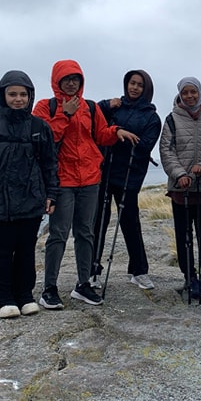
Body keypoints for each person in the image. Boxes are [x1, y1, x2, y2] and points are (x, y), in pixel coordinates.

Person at [34, 60, 139, 309]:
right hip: (62, 180)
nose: (72, 83)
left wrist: (115, 132)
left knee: (85, 233)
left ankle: (83, 284)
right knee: (59, 234)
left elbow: (100, 134)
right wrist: (65, 114)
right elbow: (44, 140)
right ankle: (49, 289)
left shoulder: (89, 106)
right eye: (67, 79)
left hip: (90, 179)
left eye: (76, 79)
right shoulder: (45, 107)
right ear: (57, 81)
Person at [0, 70, 59, 320]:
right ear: (2, 96)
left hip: (31, 200)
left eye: (23, 94)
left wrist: (51, 194)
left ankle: (24, 296)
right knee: (3, 251)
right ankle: (1, 300)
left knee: (26, 250)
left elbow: (50, 165)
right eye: (12, 94)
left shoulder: (40, 128)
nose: (18, 99)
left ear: (30, 96)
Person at [93, 69, 162, 290]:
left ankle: (139, 271)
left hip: (130, 175)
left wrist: (118, 134)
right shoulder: (115, 106)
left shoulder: (152, 117)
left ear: (146, 89)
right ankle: (92, 271)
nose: (135, 88)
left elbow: (145, 145)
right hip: (104, 172)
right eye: (132, 83)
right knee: (98, 222)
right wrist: (107, 106)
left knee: (130, 223)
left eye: (140, 85)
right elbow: (94, 119)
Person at [159, 77, 201, 300]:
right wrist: (180, 174)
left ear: (200, 92)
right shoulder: (171, 119)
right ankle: (189, 276)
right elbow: (166, 150)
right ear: (180, 94)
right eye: (185, 92)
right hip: (181, 189)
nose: (189, 96)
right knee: (183, 236)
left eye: (193, 91)